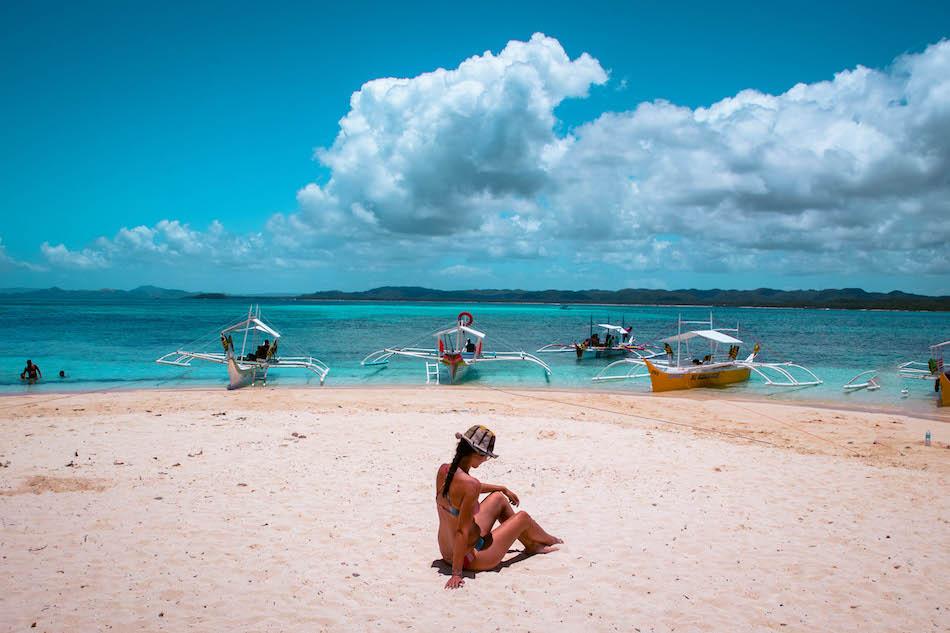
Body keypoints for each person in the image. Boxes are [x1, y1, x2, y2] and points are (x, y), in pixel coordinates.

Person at [436, 425, 562, 590]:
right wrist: (456, 574)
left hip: (447, 552)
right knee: (522, 517)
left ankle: (532, 544)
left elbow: (467, 488)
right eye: (485, 457)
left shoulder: (445, 471)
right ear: (476, 454)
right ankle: (548, 539)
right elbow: (462, 531)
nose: (484, 461)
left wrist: (501, 488)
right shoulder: (470, 485)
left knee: (498, 498)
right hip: (469, 558)